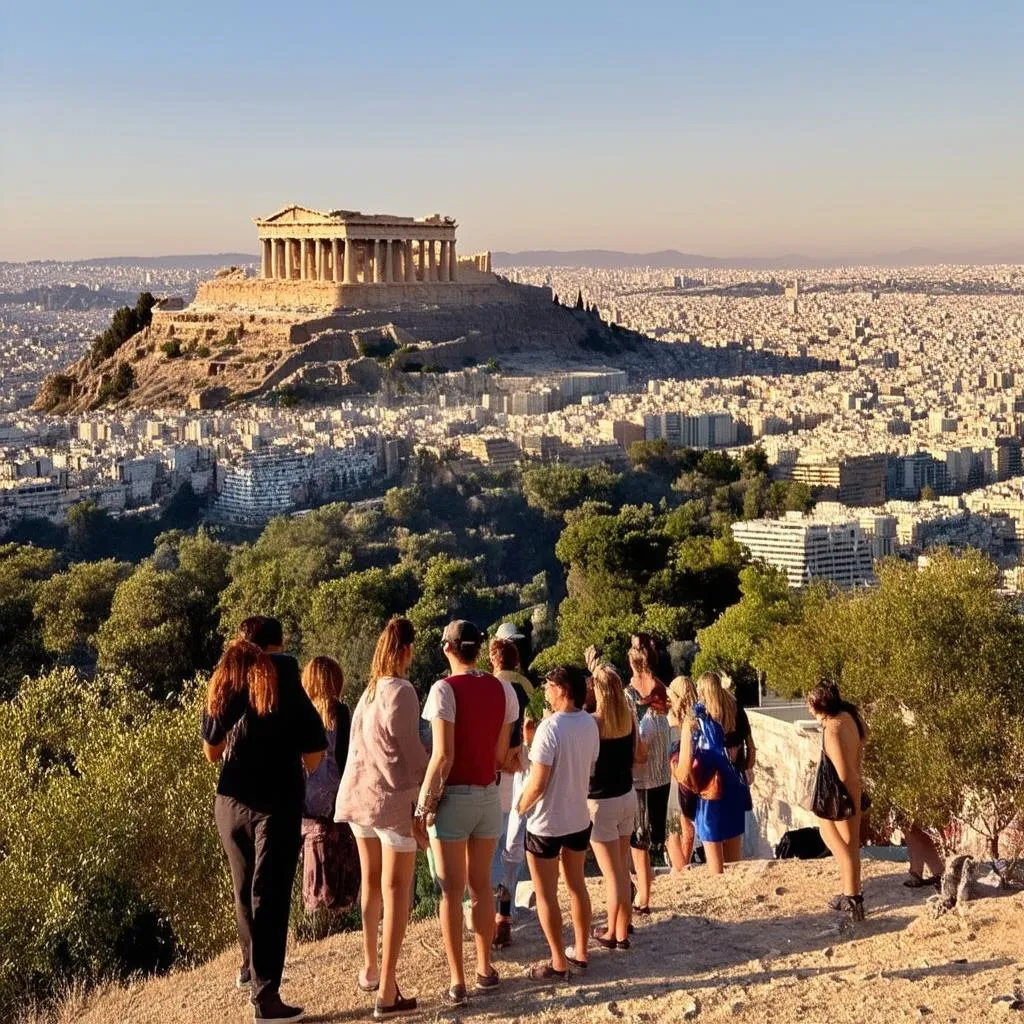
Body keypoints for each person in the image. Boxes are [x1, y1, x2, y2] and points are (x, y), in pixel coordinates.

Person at [202, 634, 326, 1024]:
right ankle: (266, 998)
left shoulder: (225, 680)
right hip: (275, 802)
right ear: (271, 650)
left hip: (231, 801)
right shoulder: (286, 676)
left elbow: (211, 750)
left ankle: (249, 969)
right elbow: (315, 749)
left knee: (244, 891)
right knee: (269, 897)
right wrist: (292, 773)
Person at [416, 620, 519, 1008]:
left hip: (453, 800)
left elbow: (443, 757)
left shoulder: (443, 691)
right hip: (488, 798)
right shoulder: (503, 688)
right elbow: (497, 757)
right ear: (478, 650)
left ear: (447, 648)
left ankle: (457, 980)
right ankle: (485, 968)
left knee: (450, 893)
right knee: (481, 888)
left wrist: (424, 805)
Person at [334, 618, 427, 1020]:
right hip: (390, 801)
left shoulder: (368, 692)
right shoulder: (402, 691)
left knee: (372, 885)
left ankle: (371, 967)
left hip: (358, 796)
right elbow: (411, 753)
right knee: (396, 891)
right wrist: (437, 776)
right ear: (406, 650)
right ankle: (388, 990)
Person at [516, 666, 600, 979]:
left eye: (549, 686)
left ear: (562, 689)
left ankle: (557, 961)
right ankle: (580, 952)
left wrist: (519, 807)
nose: (546, 692)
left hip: (546, 823)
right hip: (578, 817)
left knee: (547, 894)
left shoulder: (549, 729)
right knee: (577, 886)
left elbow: (538, 783)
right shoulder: (590, 724)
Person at [300, 656, 359, 917]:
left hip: (306, 796)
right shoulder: (341, 712)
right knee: (338, 850)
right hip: (336, 793)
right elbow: (346, 756)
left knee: (313, 851)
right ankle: (340, 904)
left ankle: (315, 904)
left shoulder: (302, 710)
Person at [588, 663, 639, 950]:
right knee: (621, 868)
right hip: (626, 795)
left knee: (612, 875)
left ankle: (613, 934)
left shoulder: (594, 722)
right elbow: (639, 754)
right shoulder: (629, 718)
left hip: (601, 801)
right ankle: (621, 931)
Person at [807, 681, 868, 920]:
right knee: (847, 844)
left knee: (844, 846)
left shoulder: (832, 728)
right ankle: (849, 893)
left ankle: (852, 897)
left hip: (841, 794)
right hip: (853, 788)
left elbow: (842, 772)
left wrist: (851, 797)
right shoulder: (850, 717)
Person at [488, 635, 533, 950]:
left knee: (491, 846)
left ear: (494, 660)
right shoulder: (527, 688)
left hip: (494, 773)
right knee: (513, 845)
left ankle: (494, 911)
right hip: (521, 768)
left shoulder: (489, 688)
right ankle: (507, 910)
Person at [625, 637, 671, 914]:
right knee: (648, 839)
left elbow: (639, 750)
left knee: (638, 841)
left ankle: (643, 896)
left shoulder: (635, 697)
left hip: (642, 778)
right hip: (661, 775)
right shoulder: (661, 690)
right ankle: (643, 890)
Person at [666, 676, 699, 873]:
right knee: (685, 827)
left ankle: (679, 869)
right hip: (687, 780)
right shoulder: (696, 718)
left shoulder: (680, 722)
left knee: (678, 828)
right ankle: (681, 866)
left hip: (679, 778)